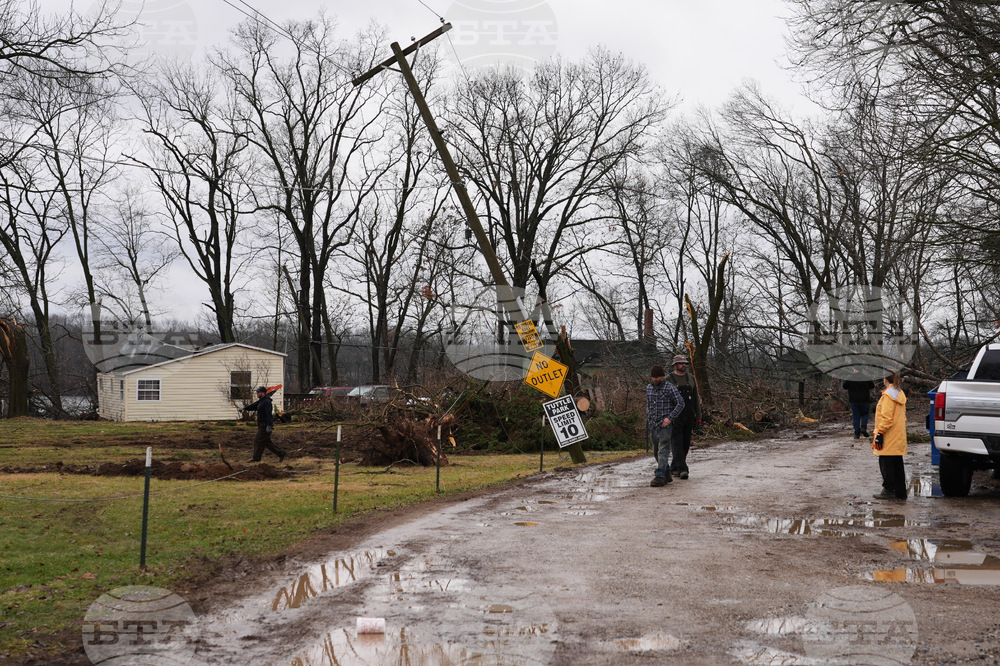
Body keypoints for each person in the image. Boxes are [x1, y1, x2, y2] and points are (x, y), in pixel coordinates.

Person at [646, 364, 685, 487]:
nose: (655, 379)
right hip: (653, 424)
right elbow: (648, 404)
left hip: (665, 425)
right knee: (656, 451)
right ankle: (667, 473)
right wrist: (648, 418)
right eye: (653, 377)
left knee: (663, 450)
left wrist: (670, 418)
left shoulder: (670, 388)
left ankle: (659, 476)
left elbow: (680, 403)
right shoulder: (649, 388)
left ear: (662, 376)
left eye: (657, 377)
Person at [872, 371, 907, 500]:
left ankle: (889, 489)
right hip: (898, 435)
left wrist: (880, 433)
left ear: (886, 379)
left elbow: (886, 418)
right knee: (897, 464)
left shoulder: (888, 396)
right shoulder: (899, 394)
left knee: (886, 463)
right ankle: (900, 491)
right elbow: (903, 418)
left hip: (888, 436)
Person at [665, 354, 701, 479]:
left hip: (688, 415)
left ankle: (674, 467)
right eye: (681, 363)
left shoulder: (690, 378)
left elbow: (696, 398)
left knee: (685, 443)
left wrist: (698, 415)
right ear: (674, 365)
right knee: (677, 443)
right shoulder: (668, 380)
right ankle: (682, 469)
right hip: (674, 416)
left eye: (685, 363)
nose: (684, 365)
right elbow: (663, 400)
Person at [242, 386, 286, 463]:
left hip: (265, 425)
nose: (257, 394)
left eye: (258, 392)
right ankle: (281, 453)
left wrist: (269, 425)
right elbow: (253, 406)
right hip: (261, 425)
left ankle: (256, 459)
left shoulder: (267, 402)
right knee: (266, 443)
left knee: (257, 440)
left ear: (263, 393)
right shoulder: (261, 401)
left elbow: (268, 414)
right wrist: (245, 407)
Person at [843, 374, 876, 439]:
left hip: (854, 401)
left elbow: (844, 386)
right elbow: (872, 386)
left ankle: (856, 434)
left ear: (854, 370)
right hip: (865, 400)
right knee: (865, 415)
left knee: (856, 417)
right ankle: (863, 427)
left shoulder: (850, 377)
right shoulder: (866, 377)